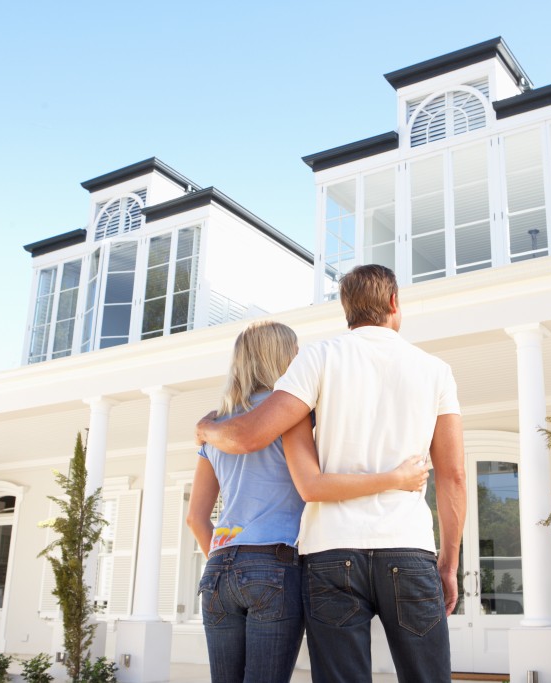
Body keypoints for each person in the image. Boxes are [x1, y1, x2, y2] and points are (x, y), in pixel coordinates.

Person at [196, 265, 466, 683]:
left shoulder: (318, 358)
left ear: (346, 309)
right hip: (407, 546)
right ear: (394, 303)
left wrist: (206, 428)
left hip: (330, 553)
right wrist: (448, 563)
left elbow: (251, 435)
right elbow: (454, 477)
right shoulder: (436, 370)